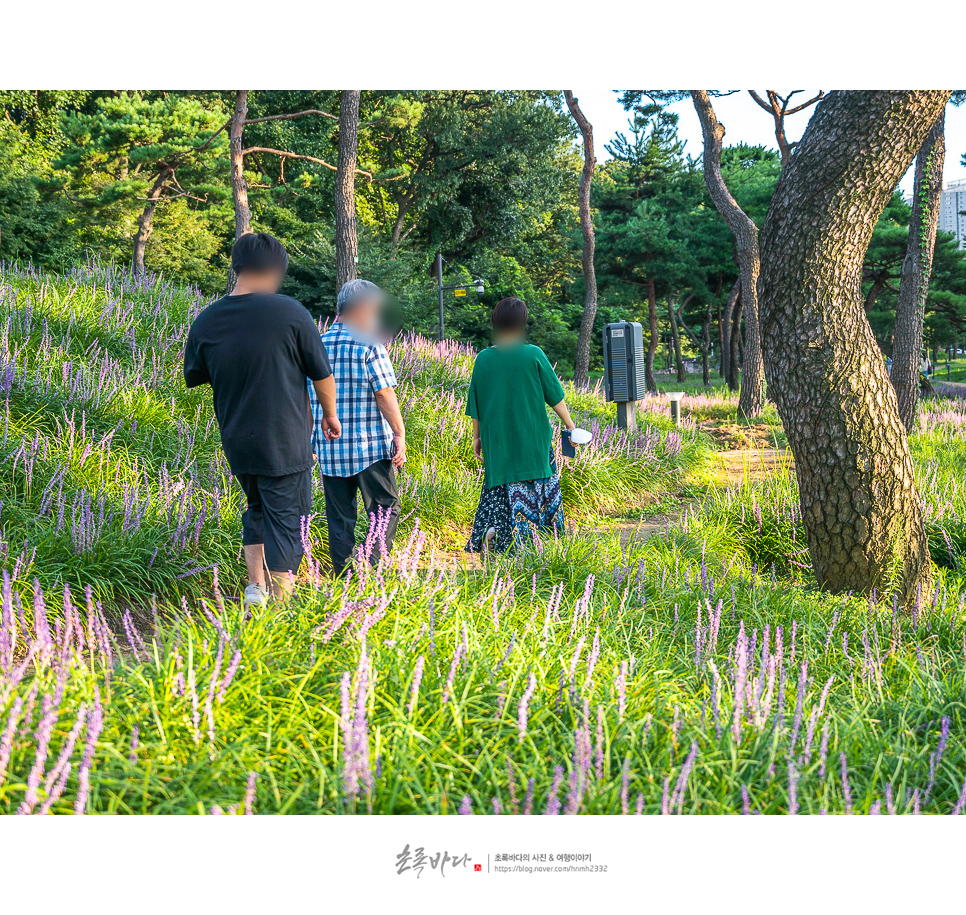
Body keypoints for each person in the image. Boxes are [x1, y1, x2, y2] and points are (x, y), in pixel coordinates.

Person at [183, 233, 341, 607]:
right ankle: (282, 605)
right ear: (275, 271)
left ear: (236, 267)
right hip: (284, 440)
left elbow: (196, 375)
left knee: (256, 508)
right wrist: (330, 414)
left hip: (237, 439)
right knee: (287, 519)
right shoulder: (289, 312)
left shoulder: (205, 321)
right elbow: (321, 374)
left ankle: (255, 588)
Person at [465, 297, 576, 555]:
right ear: (522, 324)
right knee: (538, 490)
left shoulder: (483, 359)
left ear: (495, 323)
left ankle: (494, 531)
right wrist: (569, 426)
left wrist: (477, 438)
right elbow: (555, 397)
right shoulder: (533, 354)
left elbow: (476, 402)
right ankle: (535, 545)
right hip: (532, 440)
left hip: (497, 440)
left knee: (502, 488)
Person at [311, 279, 406, 577]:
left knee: (339, 517)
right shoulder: (369, 345)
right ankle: (373, 567)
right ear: (364, 308)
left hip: (329, 447)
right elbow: (384, 393)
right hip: (368, 447)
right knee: (385, 507)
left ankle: (343, 577)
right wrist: (399, 434)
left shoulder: (316, 345)